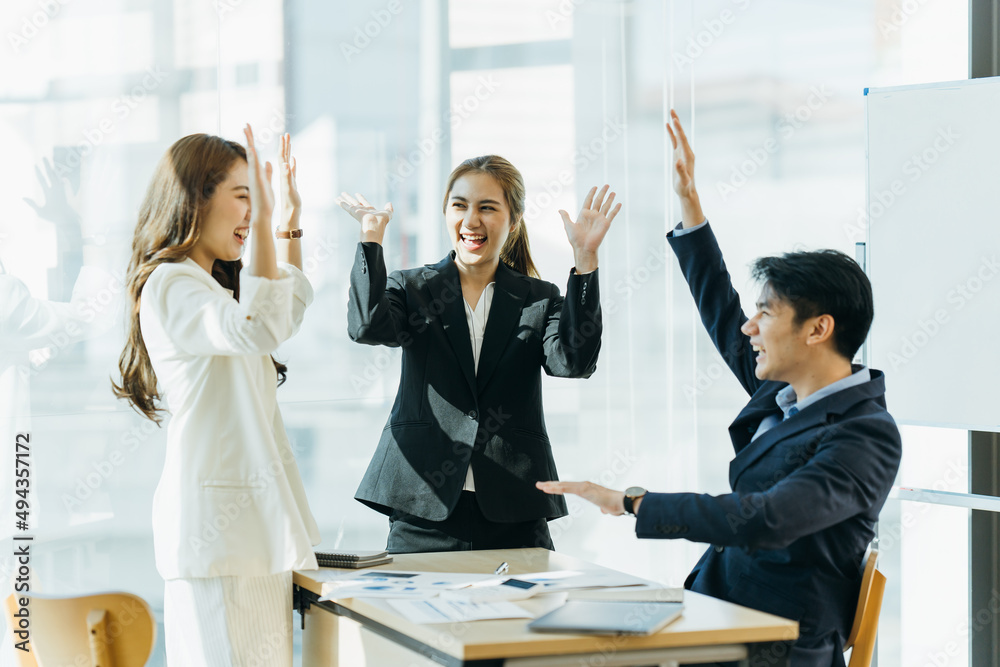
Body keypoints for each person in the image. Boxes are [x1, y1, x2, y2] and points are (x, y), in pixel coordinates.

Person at [538, 110, 902, 667]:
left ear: (818, 329)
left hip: (775, 646)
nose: (750, 329)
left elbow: (768, 518)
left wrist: (632, 501)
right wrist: (690, 207)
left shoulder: (865, 434)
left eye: (766, 315)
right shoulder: (783, 392)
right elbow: (721, 309)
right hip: (720, 616)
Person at [338, 155, 621, 553]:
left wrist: (585, 261)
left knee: (520, 614)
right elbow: (366, 326)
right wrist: (371, 239)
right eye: (460, 205)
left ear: (514, 219)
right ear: (446, 213)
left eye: (487, 207)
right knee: (414, 617)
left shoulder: (539, 298)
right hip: (422, 503)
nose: (471, 220)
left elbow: (572, 363)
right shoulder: (412, 287)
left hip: (516, 506)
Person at [112, 128, 318, 666]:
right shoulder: (169, 284)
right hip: (219, 541)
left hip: (252, 539)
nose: (253, 211)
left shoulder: (210, 287)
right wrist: (272, 228)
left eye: (257, 195)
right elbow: (259, 324)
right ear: (197, 197)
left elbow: (281, 315)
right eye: (243, 194)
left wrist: (289, 223)